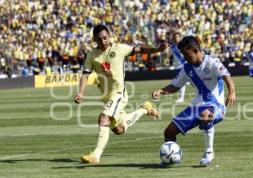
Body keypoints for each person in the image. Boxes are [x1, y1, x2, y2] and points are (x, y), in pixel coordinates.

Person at [74, 24, 168, 164]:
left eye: (105, 38)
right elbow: (85, 75)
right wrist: (80, 93)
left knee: (103, 118)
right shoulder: (92, 55)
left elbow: (139, 49)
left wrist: (157, 49)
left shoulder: (119, 49)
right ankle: (145, 109)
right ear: (95, 40)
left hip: (119, 93)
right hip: (107, 97)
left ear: (109, 36)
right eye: (100, 39)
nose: (103, 41)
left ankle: (96, 155)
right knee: (119, 129)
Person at [152, 36, 236, 166]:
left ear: (196, 50)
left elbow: (227, 76)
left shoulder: (213, 62)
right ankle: (170, 158)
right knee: (169, 132)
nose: (185, 58)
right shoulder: (187, 68)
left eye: (187, 55)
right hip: (196, 106)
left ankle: (209, 152)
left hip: (216, 105)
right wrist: (161, 91)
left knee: (205, 115)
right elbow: (175, 86)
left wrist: (232, 92)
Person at [170, 32, 187, 103]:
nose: (176, 38)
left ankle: (181, 98)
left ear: (180, 37)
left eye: (178, 37)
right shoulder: (173, 47)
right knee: (180, 82)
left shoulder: (184, 45)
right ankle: (181, 97)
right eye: (175, 37)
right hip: (177, 66)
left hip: (184, 65)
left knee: (181, 82)